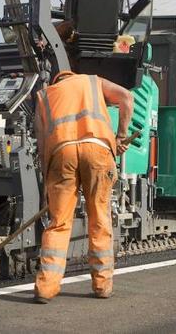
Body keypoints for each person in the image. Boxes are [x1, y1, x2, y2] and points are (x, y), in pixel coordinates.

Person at [33, 70, 134, 304]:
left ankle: (46, 288)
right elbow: (126, 98)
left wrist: (48, 175)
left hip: (61, 154)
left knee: (59, 223)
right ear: (73, 76)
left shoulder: (43, 96)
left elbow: (41, 144)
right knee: (99, 217)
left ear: (57, 81)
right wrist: (120, 136)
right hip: (97, 149)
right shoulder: (92, 82)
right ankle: (102, 285)